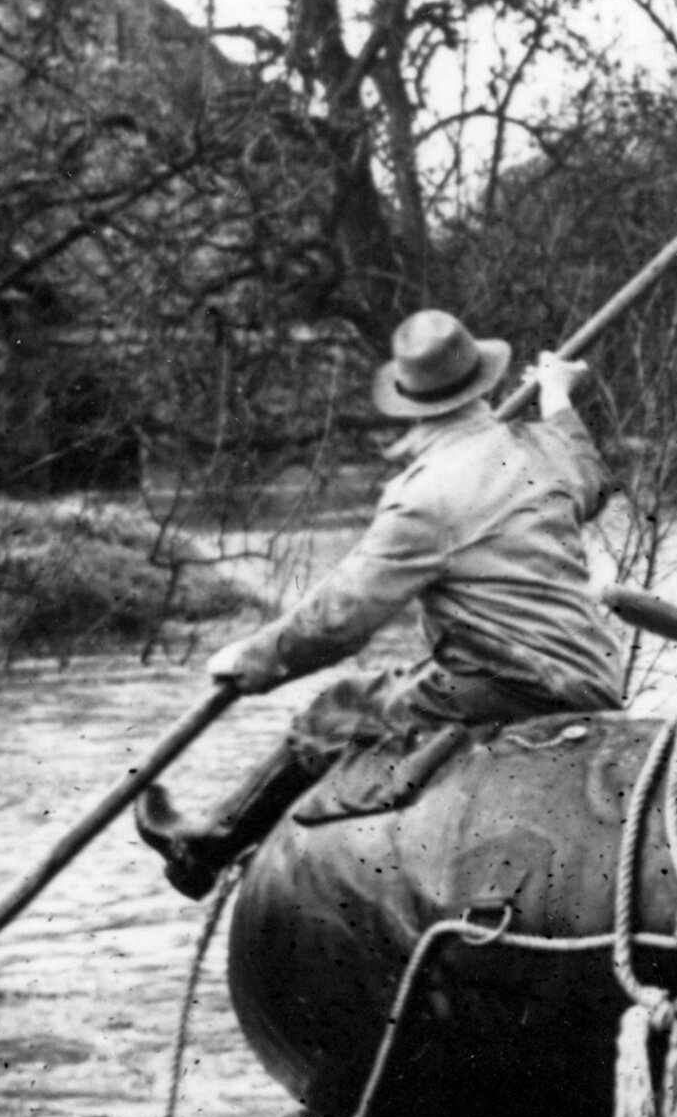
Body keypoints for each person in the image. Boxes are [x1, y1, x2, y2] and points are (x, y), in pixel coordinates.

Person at [131, 309, 628, 898]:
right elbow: (591, 483)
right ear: (484, 383)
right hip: (593, 677)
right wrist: (556, 396)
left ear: (411, 404)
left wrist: (256, 656)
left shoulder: (424, 495)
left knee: (334, 712)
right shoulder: (540, 452)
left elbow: (342, 619)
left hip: (506, 684)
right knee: (396, 685)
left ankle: (210, 843)